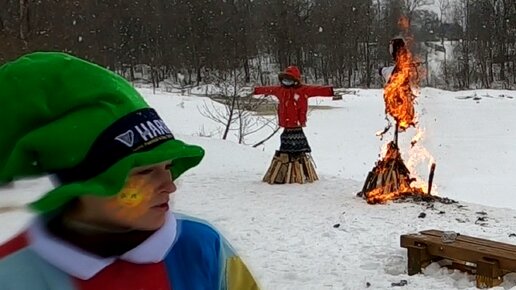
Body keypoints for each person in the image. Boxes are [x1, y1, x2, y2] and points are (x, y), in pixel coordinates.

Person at [0, 52, 259, 290]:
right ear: (85, 182)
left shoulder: (202, 246)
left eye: (167, 167)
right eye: (144, 173)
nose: (170, 185)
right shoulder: (13, 274)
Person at [253, 66, 335, 184]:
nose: (287, 82)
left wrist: (329, 91)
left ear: (296, 80)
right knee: (286, 146)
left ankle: (299, 170)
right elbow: (268, 89)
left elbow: (317, 90)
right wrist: (256, 90)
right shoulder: (280, 90)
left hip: (297, 123)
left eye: (289, 80)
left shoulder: (303, 90)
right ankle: (285, 171)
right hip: (286, 124)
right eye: (285, 80)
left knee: (297, 147)